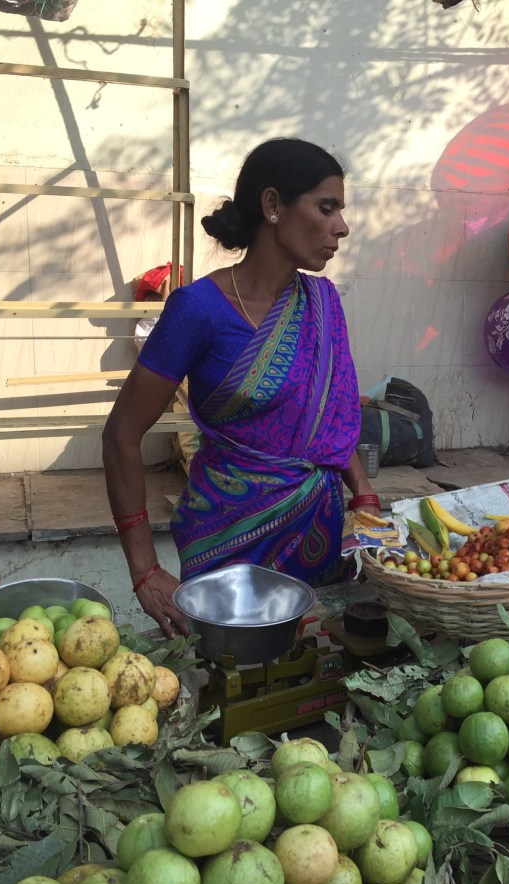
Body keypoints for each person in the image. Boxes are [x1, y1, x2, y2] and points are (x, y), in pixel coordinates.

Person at [103, 138, 379, 639]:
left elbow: (330, 422)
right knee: (233, 686)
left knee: (315, 683)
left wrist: (363, 496)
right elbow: (121, 434)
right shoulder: (197, 310)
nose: (342, 226)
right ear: (273, 205)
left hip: (319, 537)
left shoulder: (322, 301)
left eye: (341, 210)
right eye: (327, 207)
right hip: (229, 549)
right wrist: (144, 570)